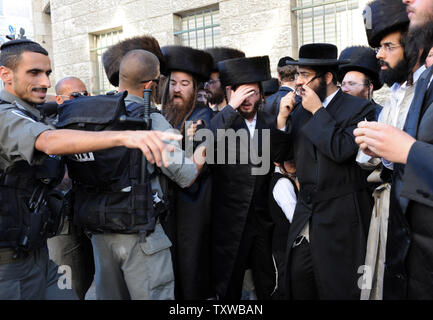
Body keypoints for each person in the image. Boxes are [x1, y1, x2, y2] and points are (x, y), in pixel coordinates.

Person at [0, 39, 179, 300]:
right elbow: (48, 141)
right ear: (5, 74)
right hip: (10, 267)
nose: (46, 81)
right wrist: (124, 137)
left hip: (38, 255)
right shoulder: (6, 116)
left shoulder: (32, 111)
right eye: (34, 73)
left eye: (48, 73)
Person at [271, 43, 376, 300]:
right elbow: (279, 158)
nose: (299, 82)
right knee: (298, 279)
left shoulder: (358, 108)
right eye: (298, 75)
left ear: (328, 77)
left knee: (339, 287)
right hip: (307, 212)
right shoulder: (298, 109)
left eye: (305, 75)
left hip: (343, 215)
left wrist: (318, 111)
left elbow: (341, 150)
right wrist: (282, 121)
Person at [354, 0, 433, 299]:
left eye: (389, 46)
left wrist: (406, 150)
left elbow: (409, 154)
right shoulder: (399, 92)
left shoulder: (422, 85)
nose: (380, 56)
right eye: (379, 48)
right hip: (396, 217)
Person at [210, 55, 276, 300]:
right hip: (229, 220)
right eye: (242, 94)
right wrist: (230, 108)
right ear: (230, 92)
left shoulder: (270, 121)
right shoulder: (222, 121)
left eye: (253, 93)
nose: (248, 100)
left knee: (266, 281)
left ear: (261, 94)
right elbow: (203, 145)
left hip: (262, 219)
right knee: (228, 284)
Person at [160, 45, 215, 299]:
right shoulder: (166, 114)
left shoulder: (202, 118)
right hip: (169, 209)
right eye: (173, 83)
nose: (177, 89)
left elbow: (194, 170)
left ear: (195, 88)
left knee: (190, 273)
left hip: (193, 208)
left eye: (184, 83)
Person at [46, 76, 95, 300]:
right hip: (61, 223)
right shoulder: (48, 128)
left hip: (88, 216)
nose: (82, 99)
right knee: (68, 284)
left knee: (89, 278)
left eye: (85, 94)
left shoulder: (93, 124)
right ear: (59, 99)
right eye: (75, 95)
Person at [268, 160, 298, 299]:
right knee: (284, 289)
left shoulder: (285, 180)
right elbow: (295, 219)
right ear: (277, 162)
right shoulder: (283, 184)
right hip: (284, 249)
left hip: (285, 248)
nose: (294, 162)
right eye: (289, 160)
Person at [338, 46, 383, 118]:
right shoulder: (334, 115)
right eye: (343, 84)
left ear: (368, 88)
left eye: (351, 84)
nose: (344, 89)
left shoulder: (382, 116)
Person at [204, 47, 245, 113]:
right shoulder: (204, 115)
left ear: (225, 82)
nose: (205, 87)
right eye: (205, 82)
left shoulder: (244, 114)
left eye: (210, 82)